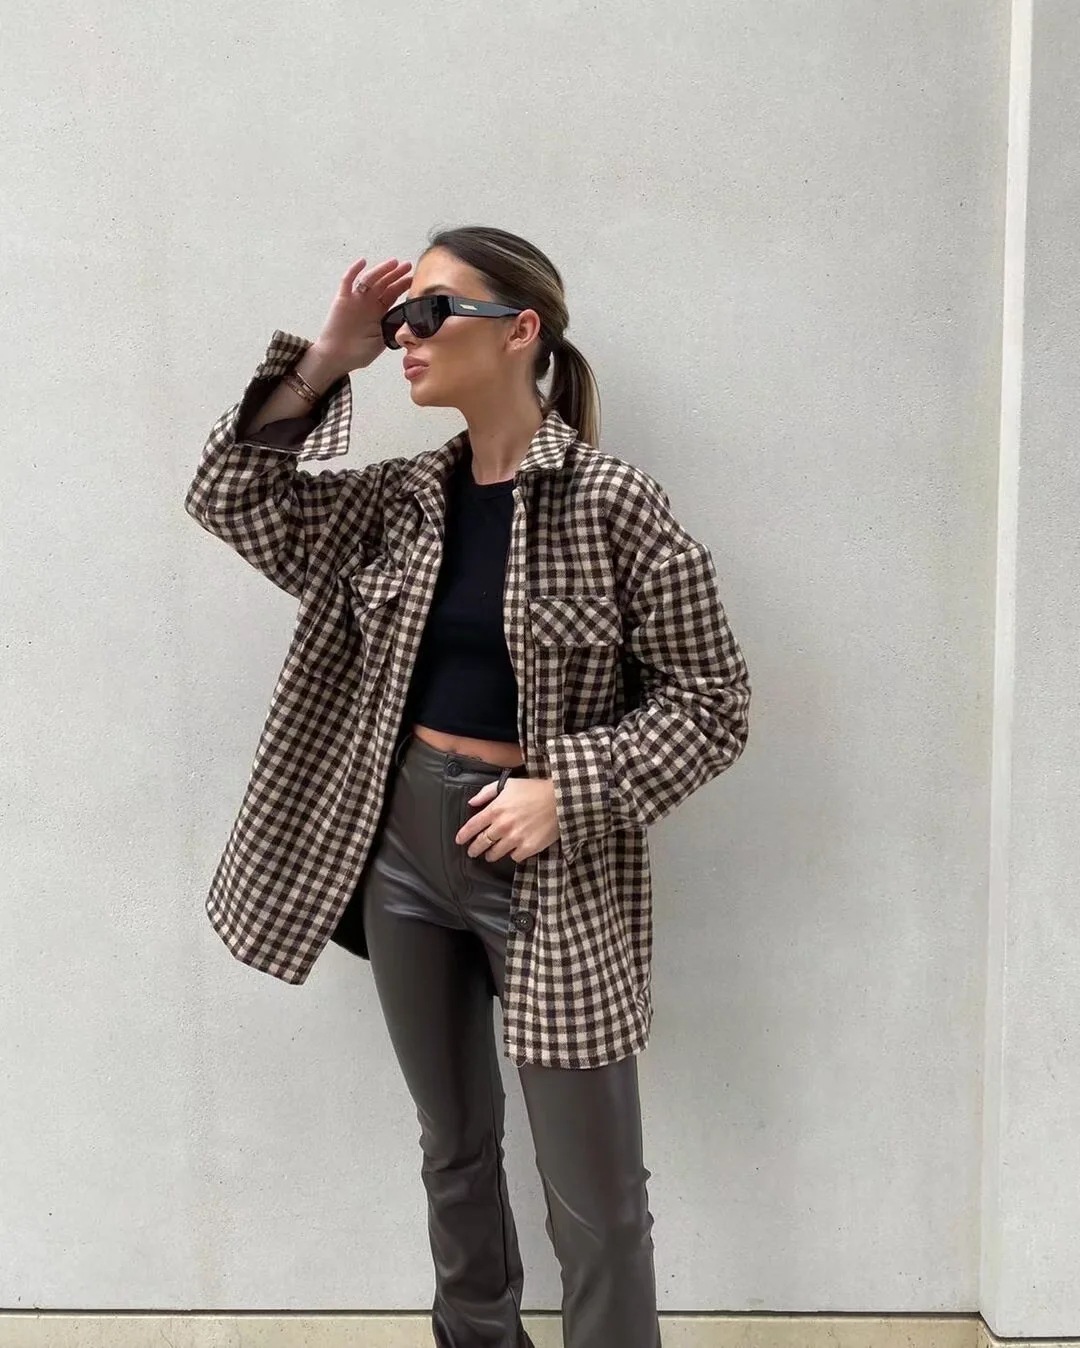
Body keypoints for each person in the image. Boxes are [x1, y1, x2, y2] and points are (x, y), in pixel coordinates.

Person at [185, 225, 751, 1347]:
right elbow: (230, 496)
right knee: (453, 1149)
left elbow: (713, 701)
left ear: (519, 331)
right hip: (401, 851)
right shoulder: (401, 500)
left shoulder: (612, 503)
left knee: (597, 1201)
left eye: (430, 311)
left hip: (554, 866)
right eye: (400, 318)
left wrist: (566, 787)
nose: (406, 334)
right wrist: (325, 360)